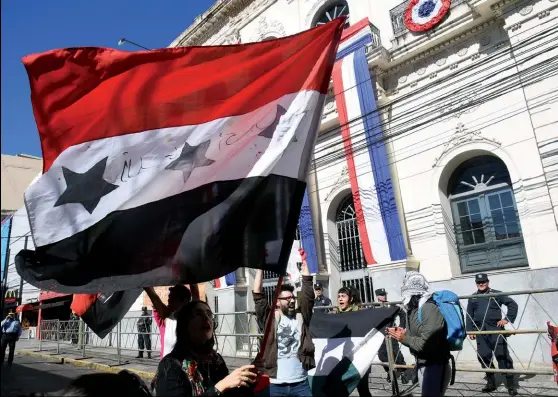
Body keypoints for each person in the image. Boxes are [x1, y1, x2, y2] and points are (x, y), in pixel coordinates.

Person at [154, 300, 257, 396]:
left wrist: (248, 378)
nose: (206, 318)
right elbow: (220, 389)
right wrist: (220, 387)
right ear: (184, 324)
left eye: (209, 314)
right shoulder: (170, 365)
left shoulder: (216, 360)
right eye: (198, 314)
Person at [252, 248, 314, 396]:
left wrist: (304, 263)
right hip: (275, 384)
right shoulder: (269, 319)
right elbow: (258, 295)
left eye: (292, 297)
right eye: (287, 298)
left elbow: (308, 293)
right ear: (278, 302)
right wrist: (261, 267)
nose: (291, 300)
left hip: (301, 383)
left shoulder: (301, 315)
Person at [388, 271, 451, 397]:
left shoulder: (429, 308)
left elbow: (427, 343)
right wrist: (402, 334)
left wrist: (404, 338)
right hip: (422, 363)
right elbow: (415, 339)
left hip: (435, 365)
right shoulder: (412, 311)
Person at [466, 273, 518, 396]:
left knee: (502, 356)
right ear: (476, 283)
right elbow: (469, 315)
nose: (481, 284)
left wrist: (507, 319)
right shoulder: (472, 298)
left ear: (488, 282)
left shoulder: (496, 293)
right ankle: (491, 383)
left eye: (483, 281)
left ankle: (510, 385)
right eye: (478, 282)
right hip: (481, 331)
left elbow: (512, 304)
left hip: (496, 329)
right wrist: (470, 330)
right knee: (484, 356)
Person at [334, 286, 371, 397]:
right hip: (342, 358)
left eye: (343, 296)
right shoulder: (335, 315)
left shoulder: (360, 313)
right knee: (341, 389)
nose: (340, 299)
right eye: (339, 296)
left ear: (350, 299)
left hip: (360, 358)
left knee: (363, 389)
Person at [144, 284, 199, 359]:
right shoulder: (171, 315)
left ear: (185, 301)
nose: (168, 300)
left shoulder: (189, 315)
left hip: (182, 365)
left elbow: (195, 294)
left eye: (172, 298)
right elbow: (155, 299)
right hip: (168, 364)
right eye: (169, 297)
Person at [375, 288, 409, 385]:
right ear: (377, 296)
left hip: (391, 333)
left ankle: (403, 373)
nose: (384, 296)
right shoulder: (375, 307)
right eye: (381, 295)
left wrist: (400, 327)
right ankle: (390, 371)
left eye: (384, 294)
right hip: (380, 335)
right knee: (382, 356)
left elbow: (402, 314)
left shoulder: (391, 305)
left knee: (396, 354)